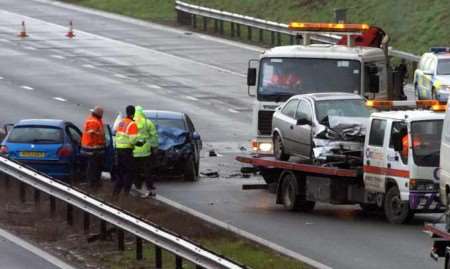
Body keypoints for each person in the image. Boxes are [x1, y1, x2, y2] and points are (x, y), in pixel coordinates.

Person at [132, 106, 159, 198]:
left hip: (134, 150)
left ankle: (137, 184)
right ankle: (149, 185)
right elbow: (154, 136)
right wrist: (154, 147)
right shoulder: (148, 123)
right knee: (147, 170)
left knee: (135, 169)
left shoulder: (132, 123)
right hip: (145, 151)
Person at [113, 105, 139, 197]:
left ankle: (115, 194)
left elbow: (116, 134)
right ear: (133, 113)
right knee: (129, 172)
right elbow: (132, 140)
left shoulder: (122, 122)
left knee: (120, 173)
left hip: (118, 151)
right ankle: (126, 194)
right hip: (127, 151)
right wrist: (139, 142)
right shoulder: (132, 124)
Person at [81, 106, 106, 188]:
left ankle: (93, 182)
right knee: (93, 167)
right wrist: (99, 135)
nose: (102, 115)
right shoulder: (94, 122)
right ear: (99, 114)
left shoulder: (92, 119)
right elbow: (92, 133)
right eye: (101, 113)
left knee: (93, 166)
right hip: (93, 148)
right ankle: (92, 183)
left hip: (90, 147)